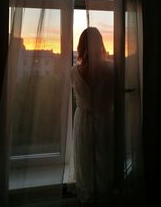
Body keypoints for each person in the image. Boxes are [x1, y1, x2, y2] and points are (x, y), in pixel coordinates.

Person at [70, 27, 114, 205]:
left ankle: (88, 198)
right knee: (105, 161)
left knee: (85, 162)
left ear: (81, 47)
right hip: (105, 120)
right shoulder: (111, 69)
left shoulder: (73, 72)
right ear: (101, 45)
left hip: (83, 122)